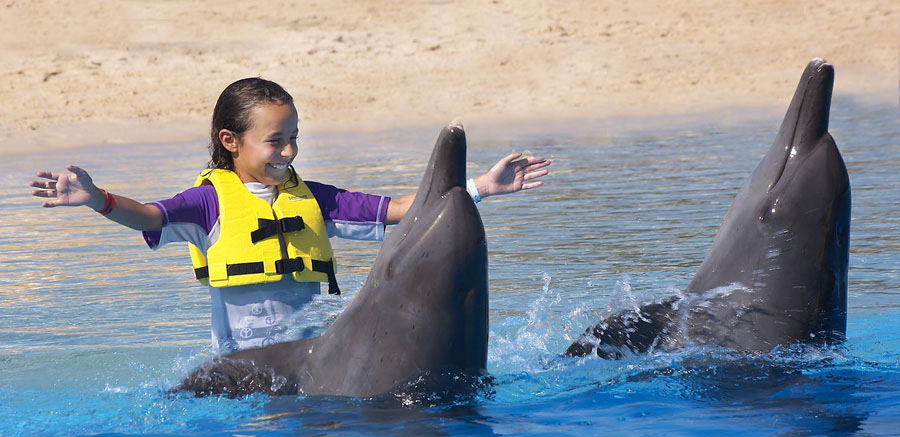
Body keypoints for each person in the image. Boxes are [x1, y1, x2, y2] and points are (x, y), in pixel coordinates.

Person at [29, 77, 550, 352]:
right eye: (275, 141)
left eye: (294, 138)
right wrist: (97, 199)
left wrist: (479, 187)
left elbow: (396, 211)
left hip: (311, 364)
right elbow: (148, 217)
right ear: (230, 142)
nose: (289, 152)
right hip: (246, 374)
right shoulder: (208, 202)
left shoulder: (313, 199)